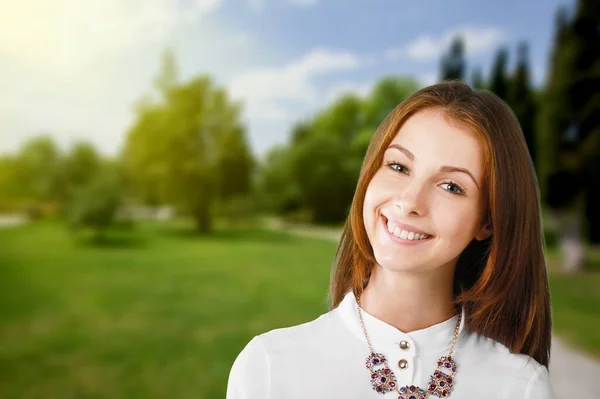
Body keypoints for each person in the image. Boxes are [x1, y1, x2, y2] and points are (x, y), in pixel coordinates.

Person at [226, 81, 555, 398]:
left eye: (451, 186)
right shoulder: (267, 368)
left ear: (487, 221)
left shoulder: (520, 387)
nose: (410, 202)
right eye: (399, 166)